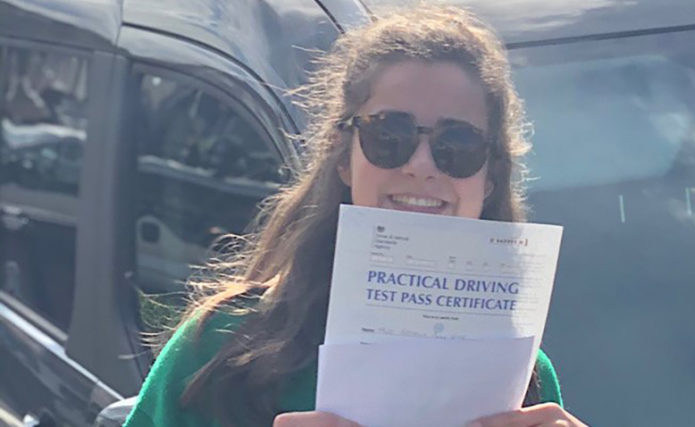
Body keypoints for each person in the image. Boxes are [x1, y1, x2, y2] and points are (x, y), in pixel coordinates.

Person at [122, 6, 587, 427]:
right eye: (390, 134)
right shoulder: (220, 349)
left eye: (458, 143)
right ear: (344, 158)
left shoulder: (522, 379)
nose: (421, 165)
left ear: (489, 179)